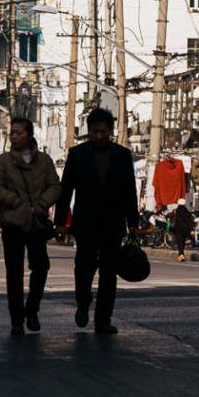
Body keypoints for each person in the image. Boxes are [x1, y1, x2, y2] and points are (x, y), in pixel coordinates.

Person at [55, 107, 139, 335]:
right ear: (88, 131)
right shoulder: (77, 154)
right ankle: (83, 304)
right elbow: (66, 190)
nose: (98, 136)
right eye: (94, 132)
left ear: (111, 131)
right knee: (83, 269)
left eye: (103, 131)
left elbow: (129, 190)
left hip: (113, 224)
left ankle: (103, 319)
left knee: (109, 274)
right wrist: (60, 221)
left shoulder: (122, 155)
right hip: (85, 224)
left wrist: (134, 221)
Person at [0, 117, 60, 336]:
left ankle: (32, 309)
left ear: (29, 135)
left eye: (18, 132)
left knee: (41, 267)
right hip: (12, 224)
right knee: (14, 273)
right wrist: (17, 203)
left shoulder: (45, 161)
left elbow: (55, 187)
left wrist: (40, 205)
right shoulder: (4, 162)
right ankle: (16, 320)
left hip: (36, 223)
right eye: (12, 133)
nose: (14, 136)